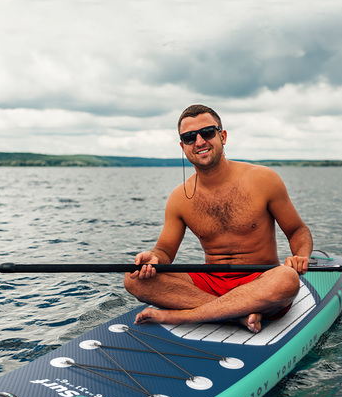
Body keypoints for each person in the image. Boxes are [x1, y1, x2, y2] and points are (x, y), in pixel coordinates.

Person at [124, 104, 313, 333]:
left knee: (286, 279)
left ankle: (183, 316)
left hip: (260, 281)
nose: (199, 142)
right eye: (189, 137)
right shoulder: (179, 197)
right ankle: (237, 315)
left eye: (207, 133)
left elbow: (297, 230)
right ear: (182, 146)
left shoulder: (264, 179)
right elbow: (164, 252)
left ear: (222, 136)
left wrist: (300, 256)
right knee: (133, 278)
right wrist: (153, 258)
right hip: (210, 282)